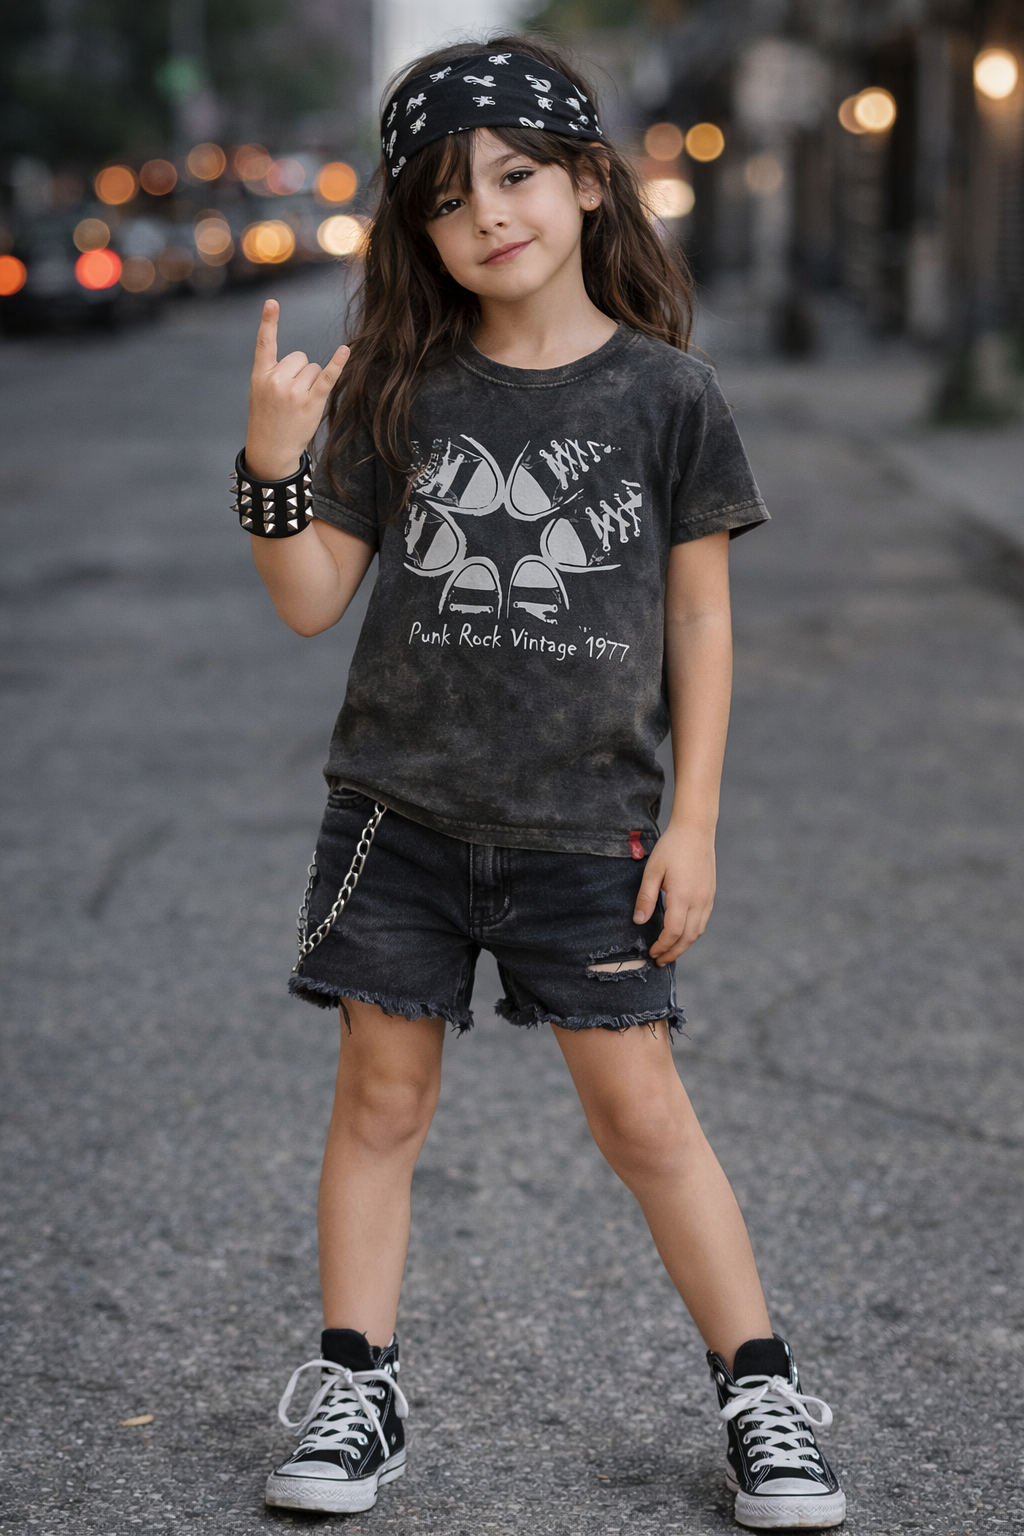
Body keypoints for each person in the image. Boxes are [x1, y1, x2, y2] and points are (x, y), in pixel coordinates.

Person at [237, 34, 846, 1531]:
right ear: (420, 233)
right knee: (380, 1103)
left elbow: (699, 618)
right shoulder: (400, 385)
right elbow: (310, 600)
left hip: (591, 829)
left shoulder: (669, 394)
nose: (488, 215)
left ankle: (762, 1392)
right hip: (398, 816)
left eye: (514, 176)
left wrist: (694, 821)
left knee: (644, 1118)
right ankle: (358, 1385)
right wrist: (271, 466)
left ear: (585, 183)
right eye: (448, 199)